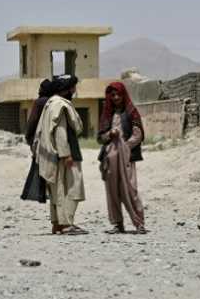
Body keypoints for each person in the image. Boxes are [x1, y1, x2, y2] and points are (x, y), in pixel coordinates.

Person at [35, 74, 86, 234]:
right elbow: (60, 132)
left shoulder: (50, 103)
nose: (74, 90)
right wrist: (66, 155)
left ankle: (57, 223)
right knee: (73, 187)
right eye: (73, 88)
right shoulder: (60, 105)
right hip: (65, 154)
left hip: (53, 155)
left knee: (58, 189)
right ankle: (66, 223)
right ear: (67, 89)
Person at [98, 81, 147, 234]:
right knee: (112, 191)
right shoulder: (107, 113)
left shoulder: (131, 111)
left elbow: (138, 135)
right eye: (112, 95)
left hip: (127, 157)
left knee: (130, 190)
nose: (116, 97)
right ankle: (117, 224)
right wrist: (109, 135)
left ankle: (139, 224)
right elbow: (100, 138)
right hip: (110, 158)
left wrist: (124, 147)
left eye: (118, 94)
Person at [21, 79, 55, 204]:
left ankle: (41, 193)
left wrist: (29, 138)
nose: (39, 89)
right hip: (52, 139)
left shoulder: (40, 102)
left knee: (39, 166)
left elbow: (33, 121)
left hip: (40, 139)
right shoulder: (53, 101)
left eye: (41, 87)